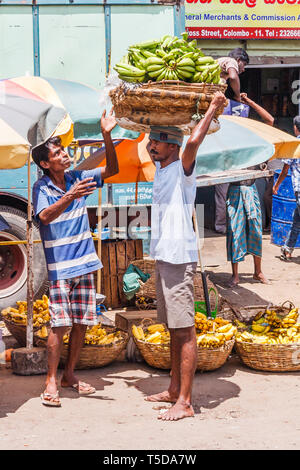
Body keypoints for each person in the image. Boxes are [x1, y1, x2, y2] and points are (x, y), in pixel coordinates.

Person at [145, 91, 227, 421]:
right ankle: (173, 388)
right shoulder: (162, 171)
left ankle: (186, 402)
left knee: (185, 330)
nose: (152, 147)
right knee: (172, 329)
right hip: (165, 257)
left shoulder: (182, 168)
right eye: (151, 142)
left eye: (159, 143)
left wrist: (211, 108)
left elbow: (193, 143)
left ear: (173, 147)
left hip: (179, 258)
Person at [32, 110, 118, 407]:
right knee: (59, 325)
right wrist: (70, 196)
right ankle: (50, 381)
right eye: (58, 153)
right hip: (61, 270)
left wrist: (106, 134)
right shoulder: (42, 187)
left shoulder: (78, 177)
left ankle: (69, 375)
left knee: (81, 323)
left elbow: (112, 171)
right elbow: (44, 216)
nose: (65, 155)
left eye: (64, 150)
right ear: (46, 163)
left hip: (85, 263)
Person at [226, 93, 274, 287]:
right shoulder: (228, 143)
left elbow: (270, 120)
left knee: (255, 230)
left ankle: (258, 272)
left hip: (251, 189)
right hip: (235, 190)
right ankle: (235, 275)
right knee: (235, 231)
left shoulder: (255, 140)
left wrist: (250, 102)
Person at [273, 116, 300, 261]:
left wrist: (276, 185)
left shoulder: (294, 145)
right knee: (297, 220)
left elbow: (284, 171)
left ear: (296, 128)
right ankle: (288, 249)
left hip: (299, 189)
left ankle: (288, 249)